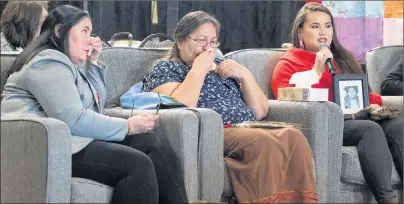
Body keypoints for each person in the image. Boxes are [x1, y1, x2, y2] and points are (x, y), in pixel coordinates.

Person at [1, 5, 188, 204]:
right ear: (59, 31)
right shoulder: (47, 61)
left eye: (90, 32)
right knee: (137, 164)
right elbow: (73, 118)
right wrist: (127, 126)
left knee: (155, 147)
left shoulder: (67, 63)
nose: (91, 39)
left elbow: (94, 108)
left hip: (68, 140)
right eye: (84, 31)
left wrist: (93, 64)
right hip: (43, 146)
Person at [142, 11, 318, 203]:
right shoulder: (166, 68)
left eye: (213, 42)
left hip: (248, 126)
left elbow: (260, 111)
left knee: (293, 135)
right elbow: (181, 106)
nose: (207, 49)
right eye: (201, 41)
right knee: (262, 141)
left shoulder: (222, 67)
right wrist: (199, 69)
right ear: (181, 42)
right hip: (214, 131)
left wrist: (244, 74)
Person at [271, 2, 402, 203]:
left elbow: (364, 93)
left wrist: (375, 105)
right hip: (326, 124)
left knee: (398, 125)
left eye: (327, 26)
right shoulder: (288, 63)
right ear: (300, 32)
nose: (323, 32)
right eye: (315, 27)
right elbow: (289, 98)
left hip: (358, 116)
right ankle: (387, 199)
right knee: (369, 129)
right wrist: (317, 69)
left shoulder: (344, 59)